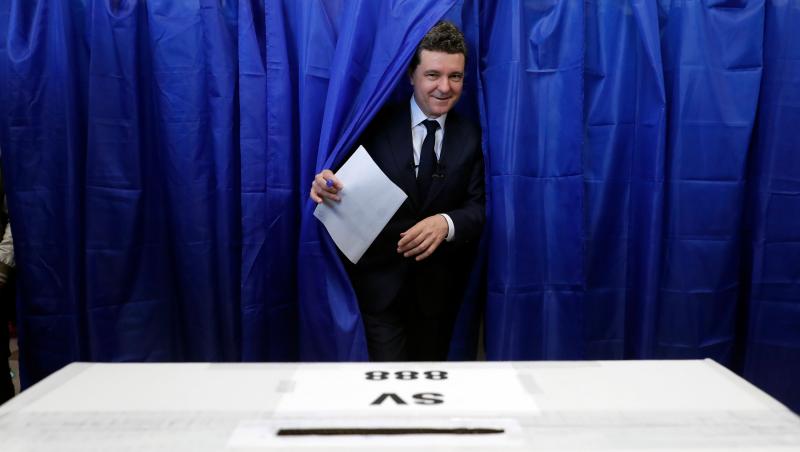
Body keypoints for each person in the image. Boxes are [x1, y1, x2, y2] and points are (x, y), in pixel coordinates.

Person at [310, 21, 485, 361]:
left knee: (432, 386)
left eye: (456, 76)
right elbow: (335, 181)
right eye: (433, 75)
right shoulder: (371, 124)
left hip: (440, 298)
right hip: (379, 292)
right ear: (410, 75)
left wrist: (446, 223)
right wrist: (325, 183)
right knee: (387, 385)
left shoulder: (472, 137)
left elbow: (479, 207)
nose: (445, 87)